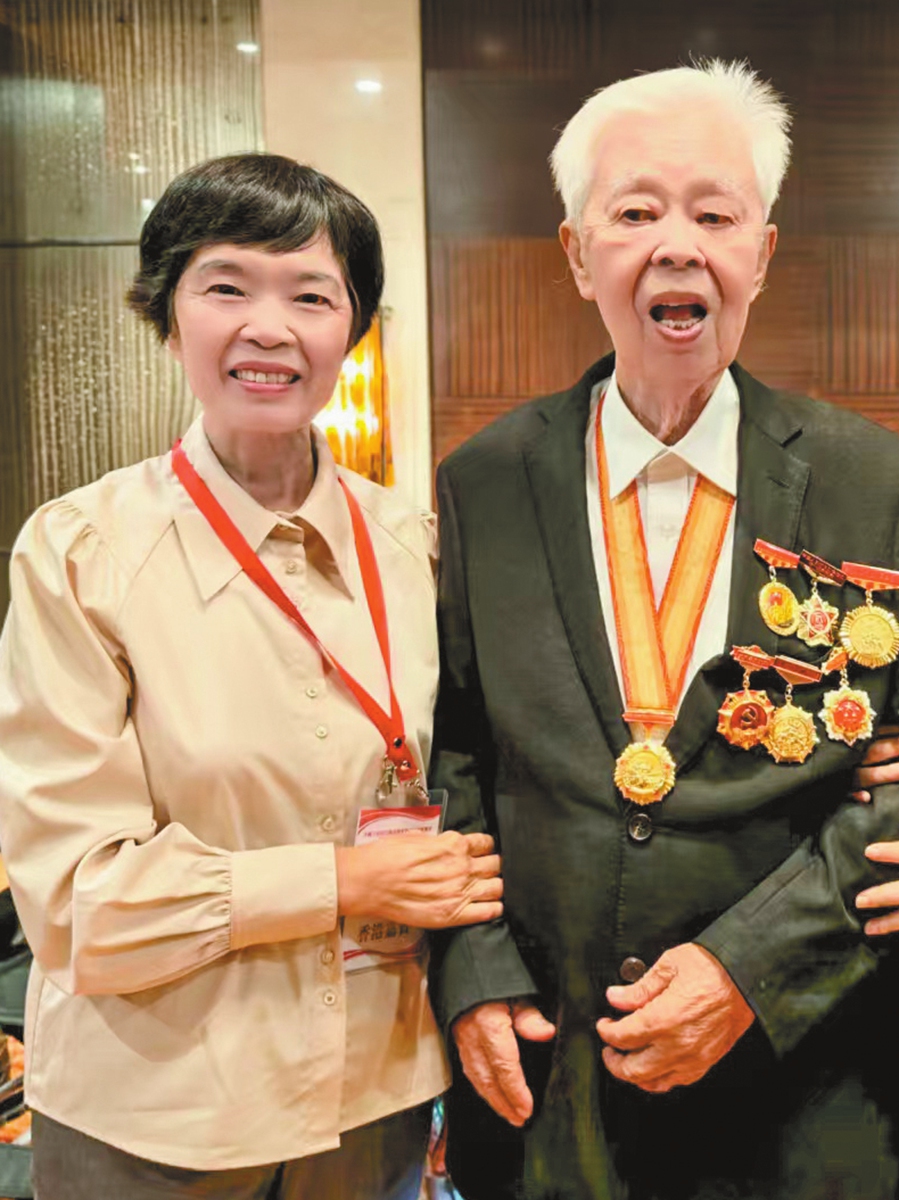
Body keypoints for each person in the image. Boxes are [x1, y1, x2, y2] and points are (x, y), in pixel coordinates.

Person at [429, 61, 899, 1200]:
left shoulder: (869, 477)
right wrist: (472, 972)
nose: (675, 244)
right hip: (552, 1068)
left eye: (713, 213)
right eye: (634, 212)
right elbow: (456, 748)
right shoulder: (484, 480)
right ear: (577, 254)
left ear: (761, 255)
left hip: (809, 1069)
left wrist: (749, 968)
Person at [0, 153, 503, 1199]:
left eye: (311, 295)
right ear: (166, 313)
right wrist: (341, 881)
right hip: (155, 1110)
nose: (268, 327)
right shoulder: (79, 551)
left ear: (350, 332)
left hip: (374, 1100)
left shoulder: (419, 545)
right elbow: (77, 902)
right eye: (226, 285)